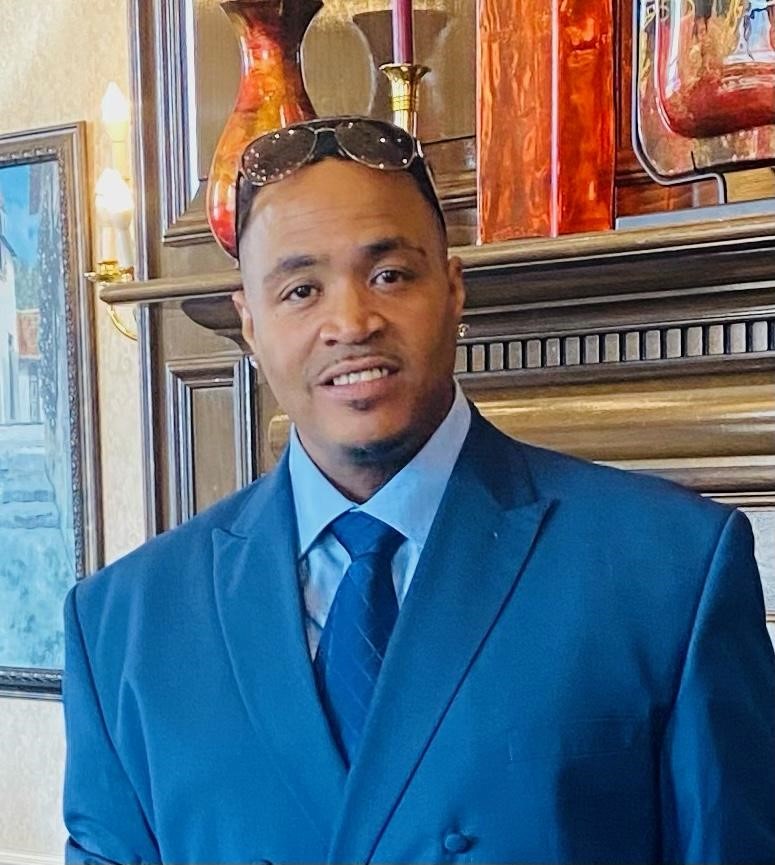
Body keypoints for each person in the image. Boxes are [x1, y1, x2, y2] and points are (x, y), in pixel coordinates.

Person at [62, 116, 775, 864]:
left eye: (389, 275)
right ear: (249, 324)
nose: (351, 321)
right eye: (300, 289)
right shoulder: (123, 626)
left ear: (452, 287)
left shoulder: (668, 569)